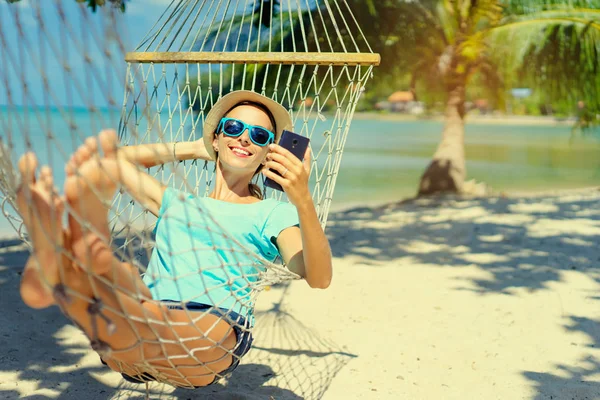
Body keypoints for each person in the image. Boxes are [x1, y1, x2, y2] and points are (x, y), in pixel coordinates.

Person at [15, 90, 333, 388]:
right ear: (217, 138)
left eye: (259, 135)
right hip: (145, 331)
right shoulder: (176, 202)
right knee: (129, 325)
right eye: (234, 127)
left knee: (132, 318)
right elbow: (108, 162)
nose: (244, 138)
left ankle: (82, 269)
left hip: (214, 328)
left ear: (268, 154)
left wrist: (302, 199)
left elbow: (318, 277)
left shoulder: (272, 213)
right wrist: (195, 148)